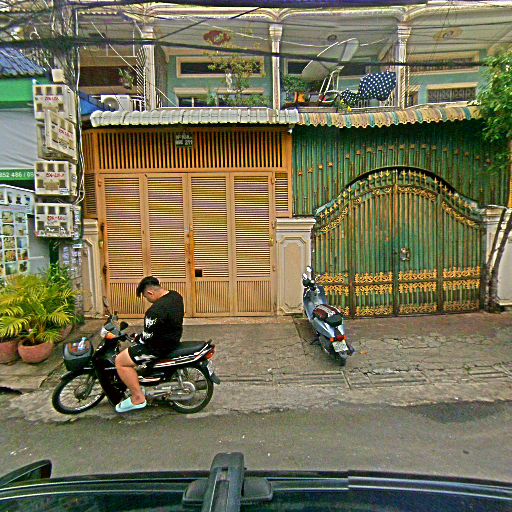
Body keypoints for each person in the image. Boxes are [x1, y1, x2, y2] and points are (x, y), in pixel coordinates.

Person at [114, 276, 184, 413]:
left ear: (150, 292)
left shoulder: (154, 311)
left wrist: (136, 338)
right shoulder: (176, 296)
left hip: (158, 348)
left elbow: (146, 338)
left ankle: (138, 398)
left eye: (146, 297)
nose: (147, 300)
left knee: (120, 361)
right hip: (173, 339)